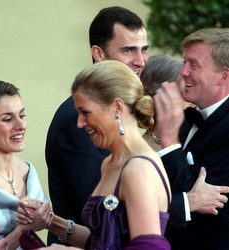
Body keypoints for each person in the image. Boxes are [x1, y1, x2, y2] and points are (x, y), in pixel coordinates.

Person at [22, 60, 171, 249]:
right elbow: (102, 241)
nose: (80, 123)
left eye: (86, 113)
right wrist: (50, 221)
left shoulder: (139, 169)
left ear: (117, 107)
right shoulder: (109, 163)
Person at [45, 6, 149, 245]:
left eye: (144, 49)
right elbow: (105, 207)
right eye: (128, 50)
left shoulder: (118, 110)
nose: (140, 61)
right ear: (98, 54)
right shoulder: (76, 118)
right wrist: (184, 201)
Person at [153, 28, 229, 250]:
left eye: (193, 64)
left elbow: (207, 206)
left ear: (224, 76)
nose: (183, 72)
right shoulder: (186, 117)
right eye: (184, 62)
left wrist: (168, 142)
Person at [0, 76, 52, 249]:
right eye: (7, 119)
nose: (21, 125)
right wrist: (25, 229)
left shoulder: (27, 170)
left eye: (22, 115)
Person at [140, 54, 191, 151]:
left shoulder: (192, 134)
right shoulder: (140, 149)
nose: (191, 102)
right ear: (157, 98)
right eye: (181, 94)